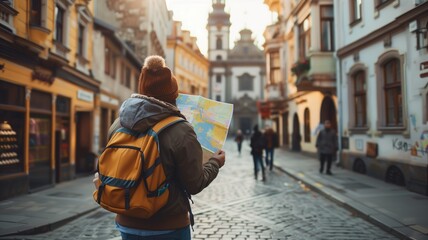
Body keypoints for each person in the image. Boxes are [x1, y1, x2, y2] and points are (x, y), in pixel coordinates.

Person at [96, 55, 226, 239]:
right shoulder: (181, 129)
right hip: (167, 226)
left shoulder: (118, 124)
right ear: (173, 94)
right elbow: (195, 183)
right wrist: (215, 162)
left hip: (126, 222)